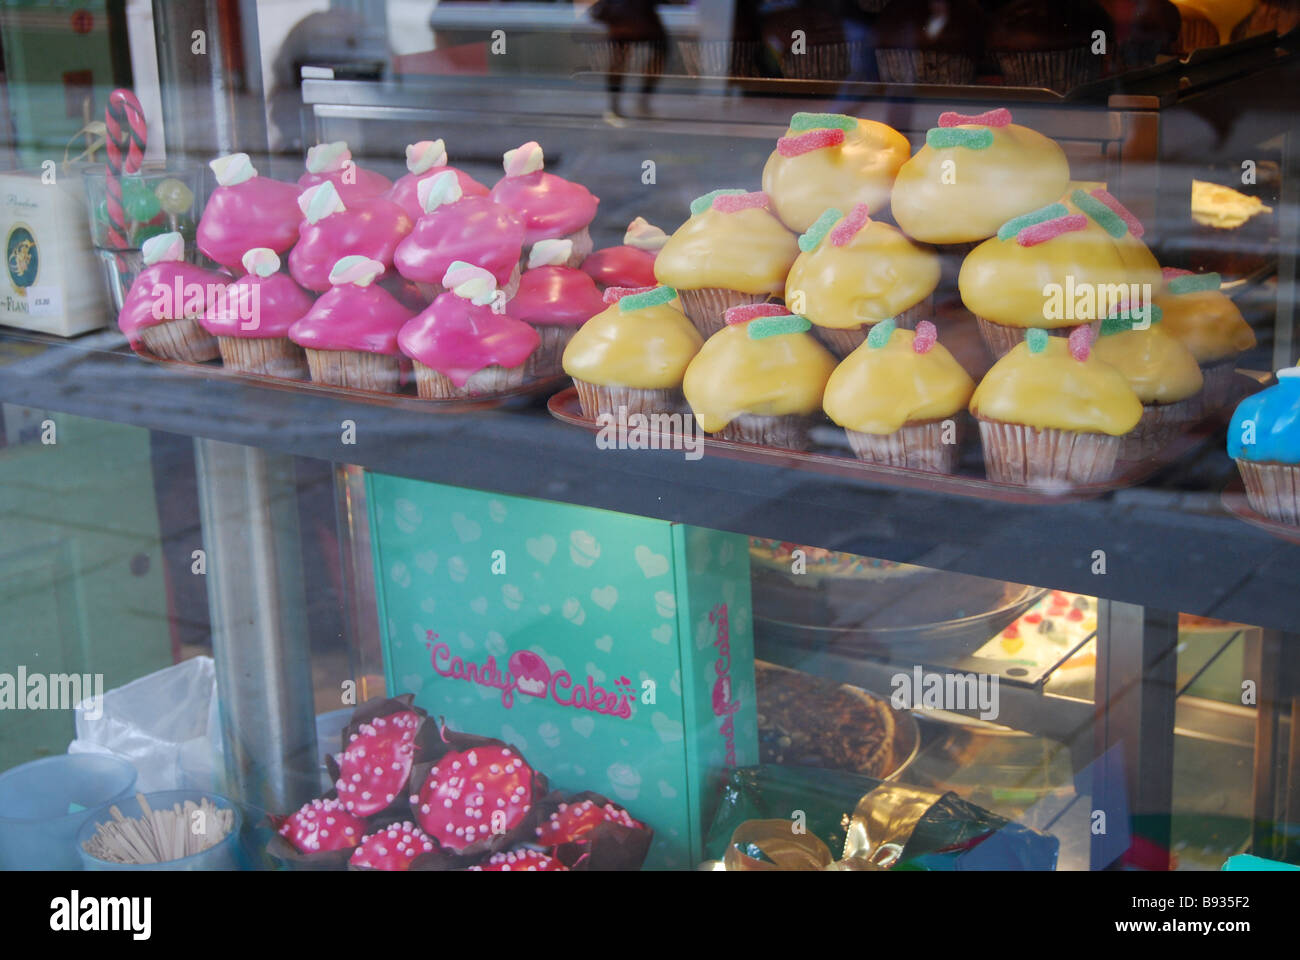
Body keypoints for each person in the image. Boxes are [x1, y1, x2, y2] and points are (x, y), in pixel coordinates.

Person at [589, 0, 668, 124]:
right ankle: (620, 105)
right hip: (630, 18)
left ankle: (621, 105)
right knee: (619, 59)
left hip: (632, 18)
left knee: (655, 53)